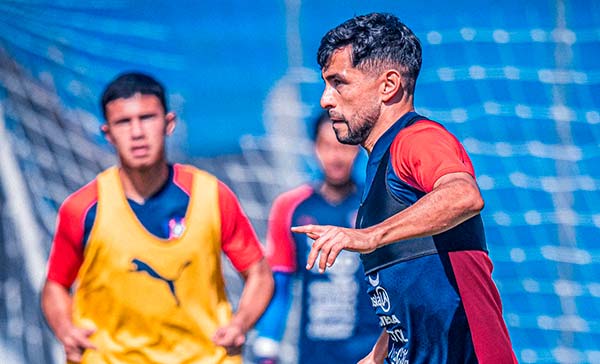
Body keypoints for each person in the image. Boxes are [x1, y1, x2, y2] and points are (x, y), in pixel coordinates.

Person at [292, 13, 517, 364]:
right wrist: (378, 353)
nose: (325, 99)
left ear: (388, 85)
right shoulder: (379, 168)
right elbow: (416, 289)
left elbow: (464, 195)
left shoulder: (417, 140)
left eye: (339, 83)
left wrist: (371, 236)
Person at [41, 72, 274, 363]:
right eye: (124, 122)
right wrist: (66, 329)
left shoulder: (212, 195)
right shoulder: (83, 208)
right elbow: (55, 285)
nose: (137, 132)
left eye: (147, 118)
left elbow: (259, 274)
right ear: (107, 133)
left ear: (169, 123)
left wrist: (240, 323)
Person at [252, 112, 381, 363]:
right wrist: (267, 347)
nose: (336, 156)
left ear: (357, 148)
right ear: (314, 148)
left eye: (343, 147)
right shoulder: (290, 207)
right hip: (315, 355)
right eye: (327, 147)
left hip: (370, 353)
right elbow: (280, 286)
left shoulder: (376, 203)